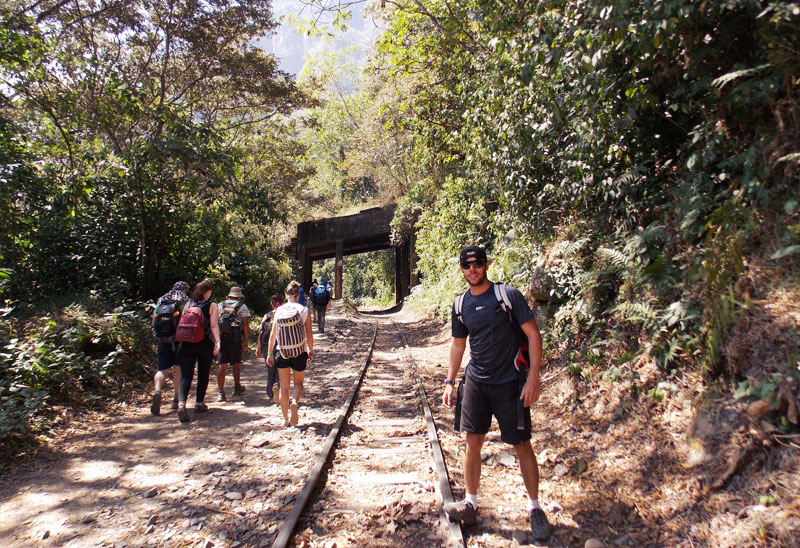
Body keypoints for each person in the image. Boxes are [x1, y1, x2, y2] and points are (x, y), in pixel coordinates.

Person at [442, 246, 552, 541]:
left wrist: (533, 379)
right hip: (477, 381)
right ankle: (470, 503)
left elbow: (533, 334)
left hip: (509, 382)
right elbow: (458, 345)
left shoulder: (507, 296)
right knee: (472, 443)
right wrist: (449, 382)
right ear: (462, 269)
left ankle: (535, 509)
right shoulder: (460, 304)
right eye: (466, 265)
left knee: (521, 445)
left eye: (477, 263)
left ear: (486, 265)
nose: (472, 269)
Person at [267, 281, 313, 427]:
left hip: (282, 352)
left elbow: (273, 334)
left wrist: (269, 353)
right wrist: (310, 351)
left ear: (286, 294)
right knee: (298, 383)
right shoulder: (304, 310)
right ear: (298, 295)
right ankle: (295, 402)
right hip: (299, 352)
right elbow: (309, 335)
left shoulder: (279, 311)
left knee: (284, 387)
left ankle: (285, 419)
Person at [176, 280, 220, 423]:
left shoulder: (189, 304)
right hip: (203, 343)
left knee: (186, 375)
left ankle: (181, 404)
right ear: (208, 292)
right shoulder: (212, 305)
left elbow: (182, 321)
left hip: (186, 342)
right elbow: (213, 326)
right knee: (203, 372)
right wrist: (218, 342)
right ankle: (199, 403)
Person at [150, 281, 190, 415]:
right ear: (185, 289)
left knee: (162, 369)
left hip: (162, 339)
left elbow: (153, 320)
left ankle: (157, 391)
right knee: (179, 369)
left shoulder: (161, 300)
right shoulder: (185, 300)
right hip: (178, 339)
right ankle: (175, 399)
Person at [216, 286, 250, 401]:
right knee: (236, 363)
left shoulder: (220, 305)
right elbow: (245, 324)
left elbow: (215, 322)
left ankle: (220, 392)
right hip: (235, 338)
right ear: (239, 296)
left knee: (222, 364)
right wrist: (246, 340)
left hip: (222, 336)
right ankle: (236, 387)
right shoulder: (242, 306)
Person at [256, 293, 283, 404]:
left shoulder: (267, 316)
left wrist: (258, 347)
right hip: (280, 344)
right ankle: (277, 385)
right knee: (280, 369)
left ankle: (270, 393)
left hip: (266, 345)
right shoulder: (283, 314)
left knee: (270, 369)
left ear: (271, 304)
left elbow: (261, 331)